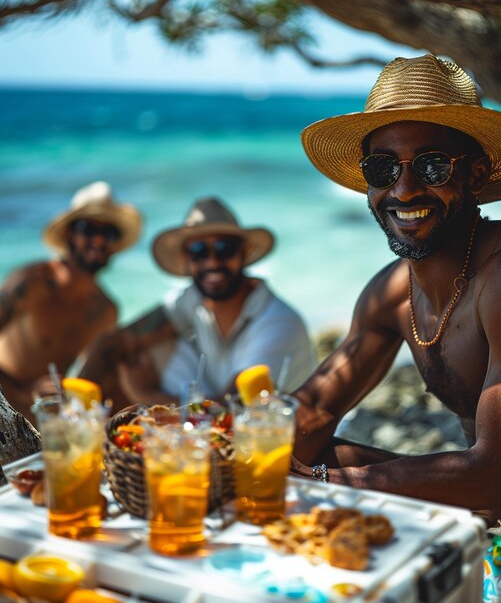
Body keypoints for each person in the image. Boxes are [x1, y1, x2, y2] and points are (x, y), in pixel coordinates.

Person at [291, 54, 501, 524]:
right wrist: (221, 443)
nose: (403, 191)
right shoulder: (391, 295)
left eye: (430, 167)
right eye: (382, 169)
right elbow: (315, 409)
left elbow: (494, 472)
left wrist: (318, 483)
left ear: (476, 174)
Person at [78, 196, 315, 404]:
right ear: (186, 260)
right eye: (199, 251)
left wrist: (146, 396)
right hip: (220, 409)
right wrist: (72, 400)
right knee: (143, 352)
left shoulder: (278, 323)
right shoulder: (192, 300)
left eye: (224, 248)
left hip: (276, 441)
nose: (212, 262)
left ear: (242, 254)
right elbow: (115, 343)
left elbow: (234, 414)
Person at [0, 181, 142, 423]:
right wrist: (22, 392)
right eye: (88, 229)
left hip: (49, 427)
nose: (98, 240)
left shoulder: (106, 310)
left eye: (108, 233)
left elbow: (90, 379)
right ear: (70, 234)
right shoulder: (32, 282)